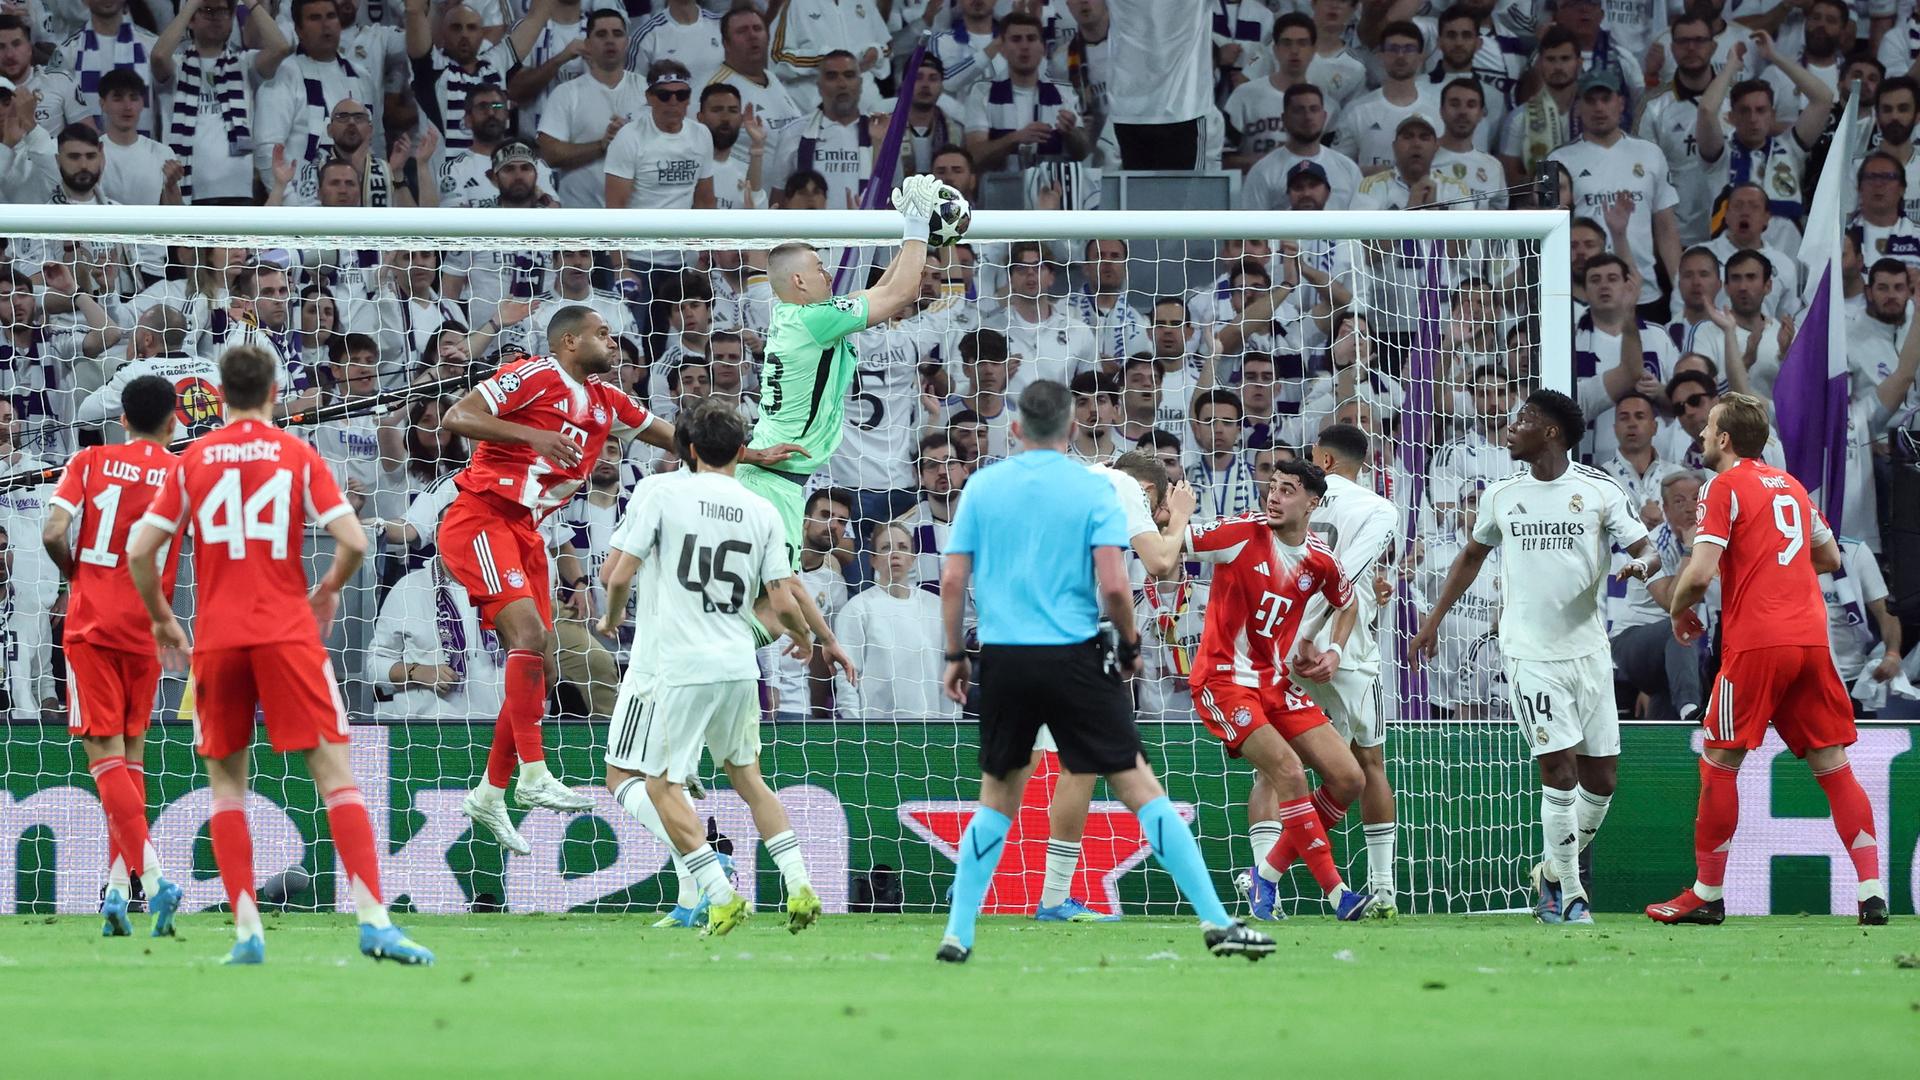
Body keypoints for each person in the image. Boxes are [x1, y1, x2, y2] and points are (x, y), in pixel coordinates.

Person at [935, 379, 1271, 962]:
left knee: (996, 800)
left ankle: (958, 933)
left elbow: (953, 581)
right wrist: (1132, 642)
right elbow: (1119, 583)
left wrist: (954, 655)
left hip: (1004, 656)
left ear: (1014, 429)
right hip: (1073, 653)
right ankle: (1218, 923)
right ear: (1072, 430)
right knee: (1140, 786)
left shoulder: (983, 487)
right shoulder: (1101, 487)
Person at [125, 345, 432, 965]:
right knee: (336, 779)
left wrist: (162, 618)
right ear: (271, 393)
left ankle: (247, 932)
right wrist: (328, 589)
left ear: (221, 396)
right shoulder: (296, 453)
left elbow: (138, 549)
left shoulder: (193, 459)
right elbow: (351, 540)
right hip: (288, 631)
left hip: (218, 638)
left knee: (226, 788)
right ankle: (373, 918)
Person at [1411, 390, 1662, 926]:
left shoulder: (1598, 491)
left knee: (1603, 780)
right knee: (1558, 767)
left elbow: (1647, 547)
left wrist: (1641, 565)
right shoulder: (1502, 494)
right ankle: (1569, 893)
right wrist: (1432, 619)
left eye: (1523, 418)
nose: (1510, 424)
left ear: (1550, 432)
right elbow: (1472, 556)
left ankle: (1551, 868)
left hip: (1589, 650)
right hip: (1528, 652)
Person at [436, 305, 678, 855]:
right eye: (601, 333)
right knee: (527, 638)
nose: (612, 340)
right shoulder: (537, 374)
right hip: (481, 515)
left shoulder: (605, 400)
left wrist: (750, 453)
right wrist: (533, 438)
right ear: (569, 341)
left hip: (527, 531)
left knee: (541, 669)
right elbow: (457, 416)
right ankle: (533, 772)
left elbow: (672, 435)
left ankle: (490, 793)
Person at [1646, 393, 1889, 927]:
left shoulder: (1722, 487)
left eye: (1709, 428)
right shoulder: (1793, 487)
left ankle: (1707, 894)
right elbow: (1830, 557)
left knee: (1718, 762)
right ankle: (1872, 890)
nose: (1703, 437)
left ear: (1726, 439)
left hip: (1757, 644)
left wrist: (1677, 609)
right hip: (1810, 640)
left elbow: (1702, 571)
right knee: (1832, 764)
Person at [595, 400, 821, 936]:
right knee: (749, 779)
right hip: (740, 664)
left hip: (678, 665)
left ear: (687, 449)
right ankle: (798, 882)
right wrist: (805, 638)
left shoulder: (662, 492)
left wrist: (613, 614)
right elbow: (784, 598)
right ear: (741, 451)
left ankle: (718, 891)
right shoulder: (761, 510)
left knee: (656, 786)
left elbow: (618, 572)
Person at [1188, 457, 1376, 922]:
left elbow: (1346, 602)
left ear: (1312, 504)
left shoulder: (1319, 559)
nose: (1274, 496)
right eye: (1271, 487)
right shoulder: (1239, 534)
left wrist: (1333, 650)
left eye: (1287, 489)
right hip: (1224, 680)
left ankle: (1265, 876)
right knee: (1288, 773)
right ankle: (1339, 895)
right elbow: (1176, 541)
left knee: (1350, 778)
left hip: (1275, 682)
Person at [736, 174, 946, 575]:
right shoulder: (815, 320)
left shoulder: (798, 316)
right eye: (819, 267)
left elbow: (879, 292)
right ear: (798, 280)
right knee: (766, 604)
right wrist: (919, 226)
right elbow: (900, 295)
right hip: (772, 480)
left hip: (772, 475)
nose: (829, 273)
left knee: (767, 602)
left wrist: (912, 231)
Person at [40, 374, 185, 939]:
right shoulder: (182, 475)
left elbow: (54, 532)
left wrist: (76, 574)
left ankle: (152, 874)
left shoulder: (90, 460)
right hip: (148, 629)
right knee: (131, 759)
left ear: (121, 419)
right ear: (173, 421)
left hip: (93, 626)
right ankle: (118, 893)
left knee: (103, 758)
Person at [1031, 448, 1195, 923]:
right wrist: (1179, 518)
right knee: (1097, 765)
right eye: (1157, 506)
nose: (1156, 515)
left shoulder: (1073, 482)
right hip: (1063, 636)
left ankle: (1047, 899)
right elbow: (1161, 562)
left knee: (1054, 767)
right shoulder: (1123, 487)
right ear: (1147, 491)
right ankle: (1053, 900)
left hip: (1021, 628)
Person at [1290, 423, 1402, 914]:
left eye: (1312, 456)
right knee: (1369, 763)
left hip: (1284, 644)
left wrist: (1296, 638)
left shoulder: (1292, 494)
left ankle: (1262, 883)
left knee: (1277, 771)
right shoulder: (1379, 509)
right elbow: (1348, 576)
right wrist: (1320, 638)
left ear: (1327, 461)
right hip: (1347, 649)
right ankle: (1383, 890)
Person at [834, 522, 954, 720]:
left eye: (902, 547)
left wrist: (950, 729)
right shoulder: (856, 609)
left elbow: (949, 676)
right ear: (873, 559)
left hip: (931, 731)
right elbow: (847, 680)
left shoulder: (936, 608)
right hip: (877, 734)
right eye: (886, 548)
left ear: (913, 558)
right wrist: (853, 730)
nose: (895, 554)